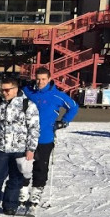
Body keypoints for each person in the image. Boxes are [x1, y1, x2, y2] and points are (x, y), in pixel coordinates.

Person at [21, 66, 79, 207]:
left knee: (40, 166)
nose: (40, 82)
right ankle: (22, 191)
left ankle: (36, 193)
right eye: (38, 79)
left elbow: (74, 106)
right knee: (23, 166)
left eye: (43, 79)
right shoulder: (28, 91)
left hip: (45, 137)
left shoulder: (56, 95)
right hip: (26, 137)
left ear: (49, 79)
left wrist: (63, 122)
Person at [0, 76, 40, 214]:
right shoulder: (0, 104)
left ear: (16, 89)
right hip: (1, 148)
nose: (4, 93)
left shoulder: (28, 105)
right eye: (2, 90)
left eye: (7, 90)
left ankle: (10, 205)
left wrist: (31, 149)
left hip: (19, 149)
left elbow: (34, 128)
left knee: (15, 179)